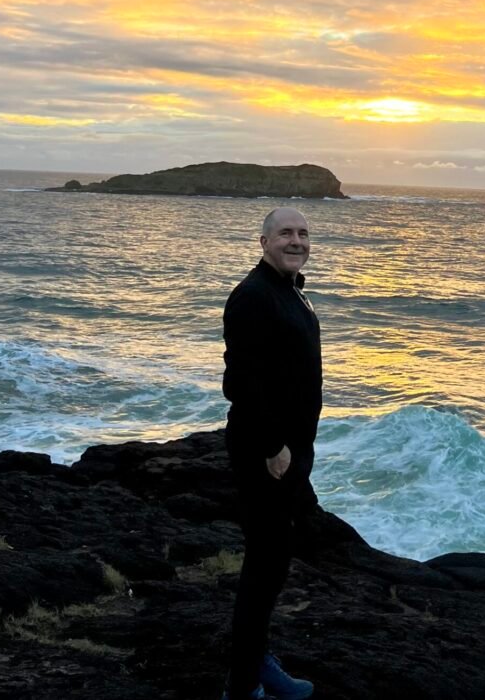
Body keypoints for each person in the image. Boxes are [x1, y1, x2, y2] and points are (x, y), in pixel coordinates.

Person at [221, 207, 322, 700]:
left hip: (289, 452)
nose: (296, 240)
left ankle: (257, 663)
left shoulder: (290, 292)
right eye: (285, 233)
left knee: (274, 563)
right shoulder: (253, 297)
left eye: (303, 233)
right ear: (263, 241)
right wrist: (273, 448)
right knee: (263, 569)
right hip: (266, 454)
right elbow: (240, 380)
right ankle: (242, 686)